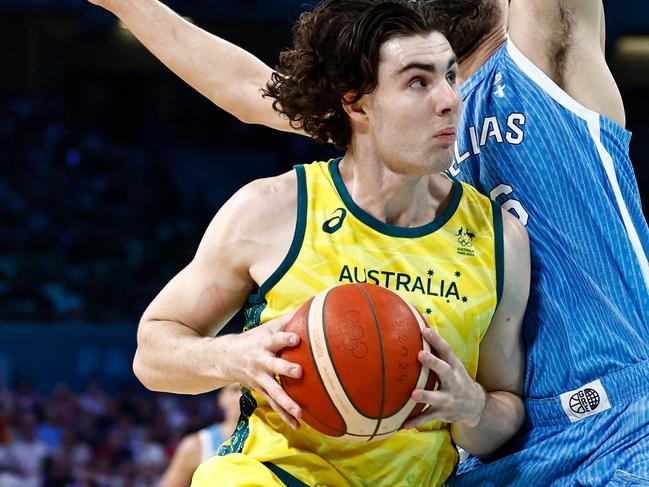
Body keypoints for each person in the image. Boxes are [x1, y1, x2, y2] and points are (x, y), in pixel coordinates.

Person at [86, 0, 649, 483]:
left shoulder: (544, 61)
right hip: (488, 455)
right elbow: (246, 89)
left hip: (614, 430)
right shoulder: (405, 115)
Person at [159, 383, 241, 487]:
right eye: (235, 390)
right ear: (222, 398)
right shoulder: (197, 445)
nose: (243, 396)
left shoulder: (267, 440)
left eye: (251, 389)